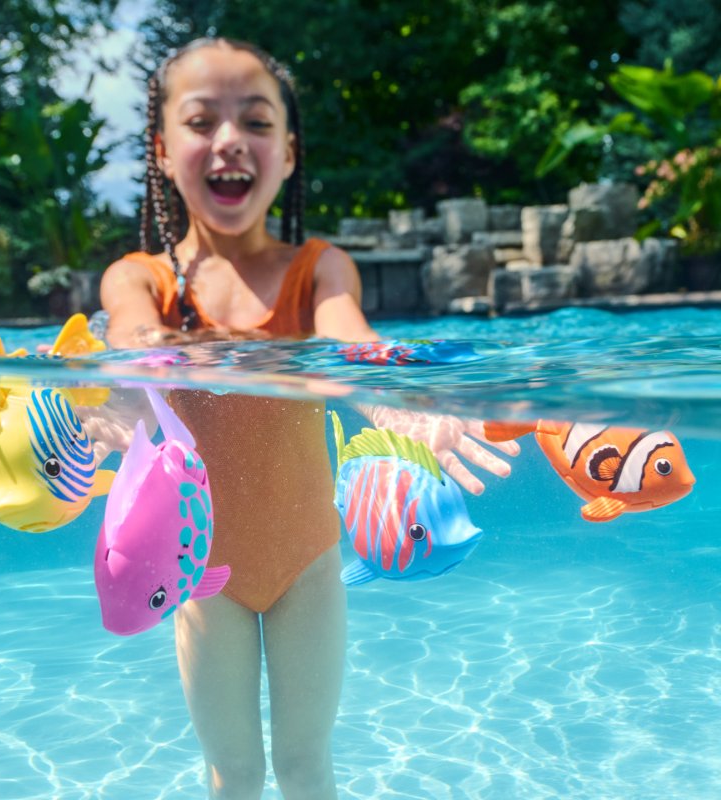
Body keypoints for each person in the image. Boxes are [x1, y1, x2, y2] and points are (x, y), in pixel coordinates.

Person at [99, 37, 518, 800]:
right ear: (162, 151)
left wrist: (407, 401)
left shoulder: (317, 269)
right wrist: (120, 397)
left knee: (304, 765)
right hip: (201, 576)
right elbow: (130, 343)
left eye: (255, 122)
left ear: (288, 153)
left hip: (308, 562)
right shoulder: (141, 279)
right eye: (202, 121)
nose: (229, 139)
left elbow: (351, 341)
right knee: (233, 771)